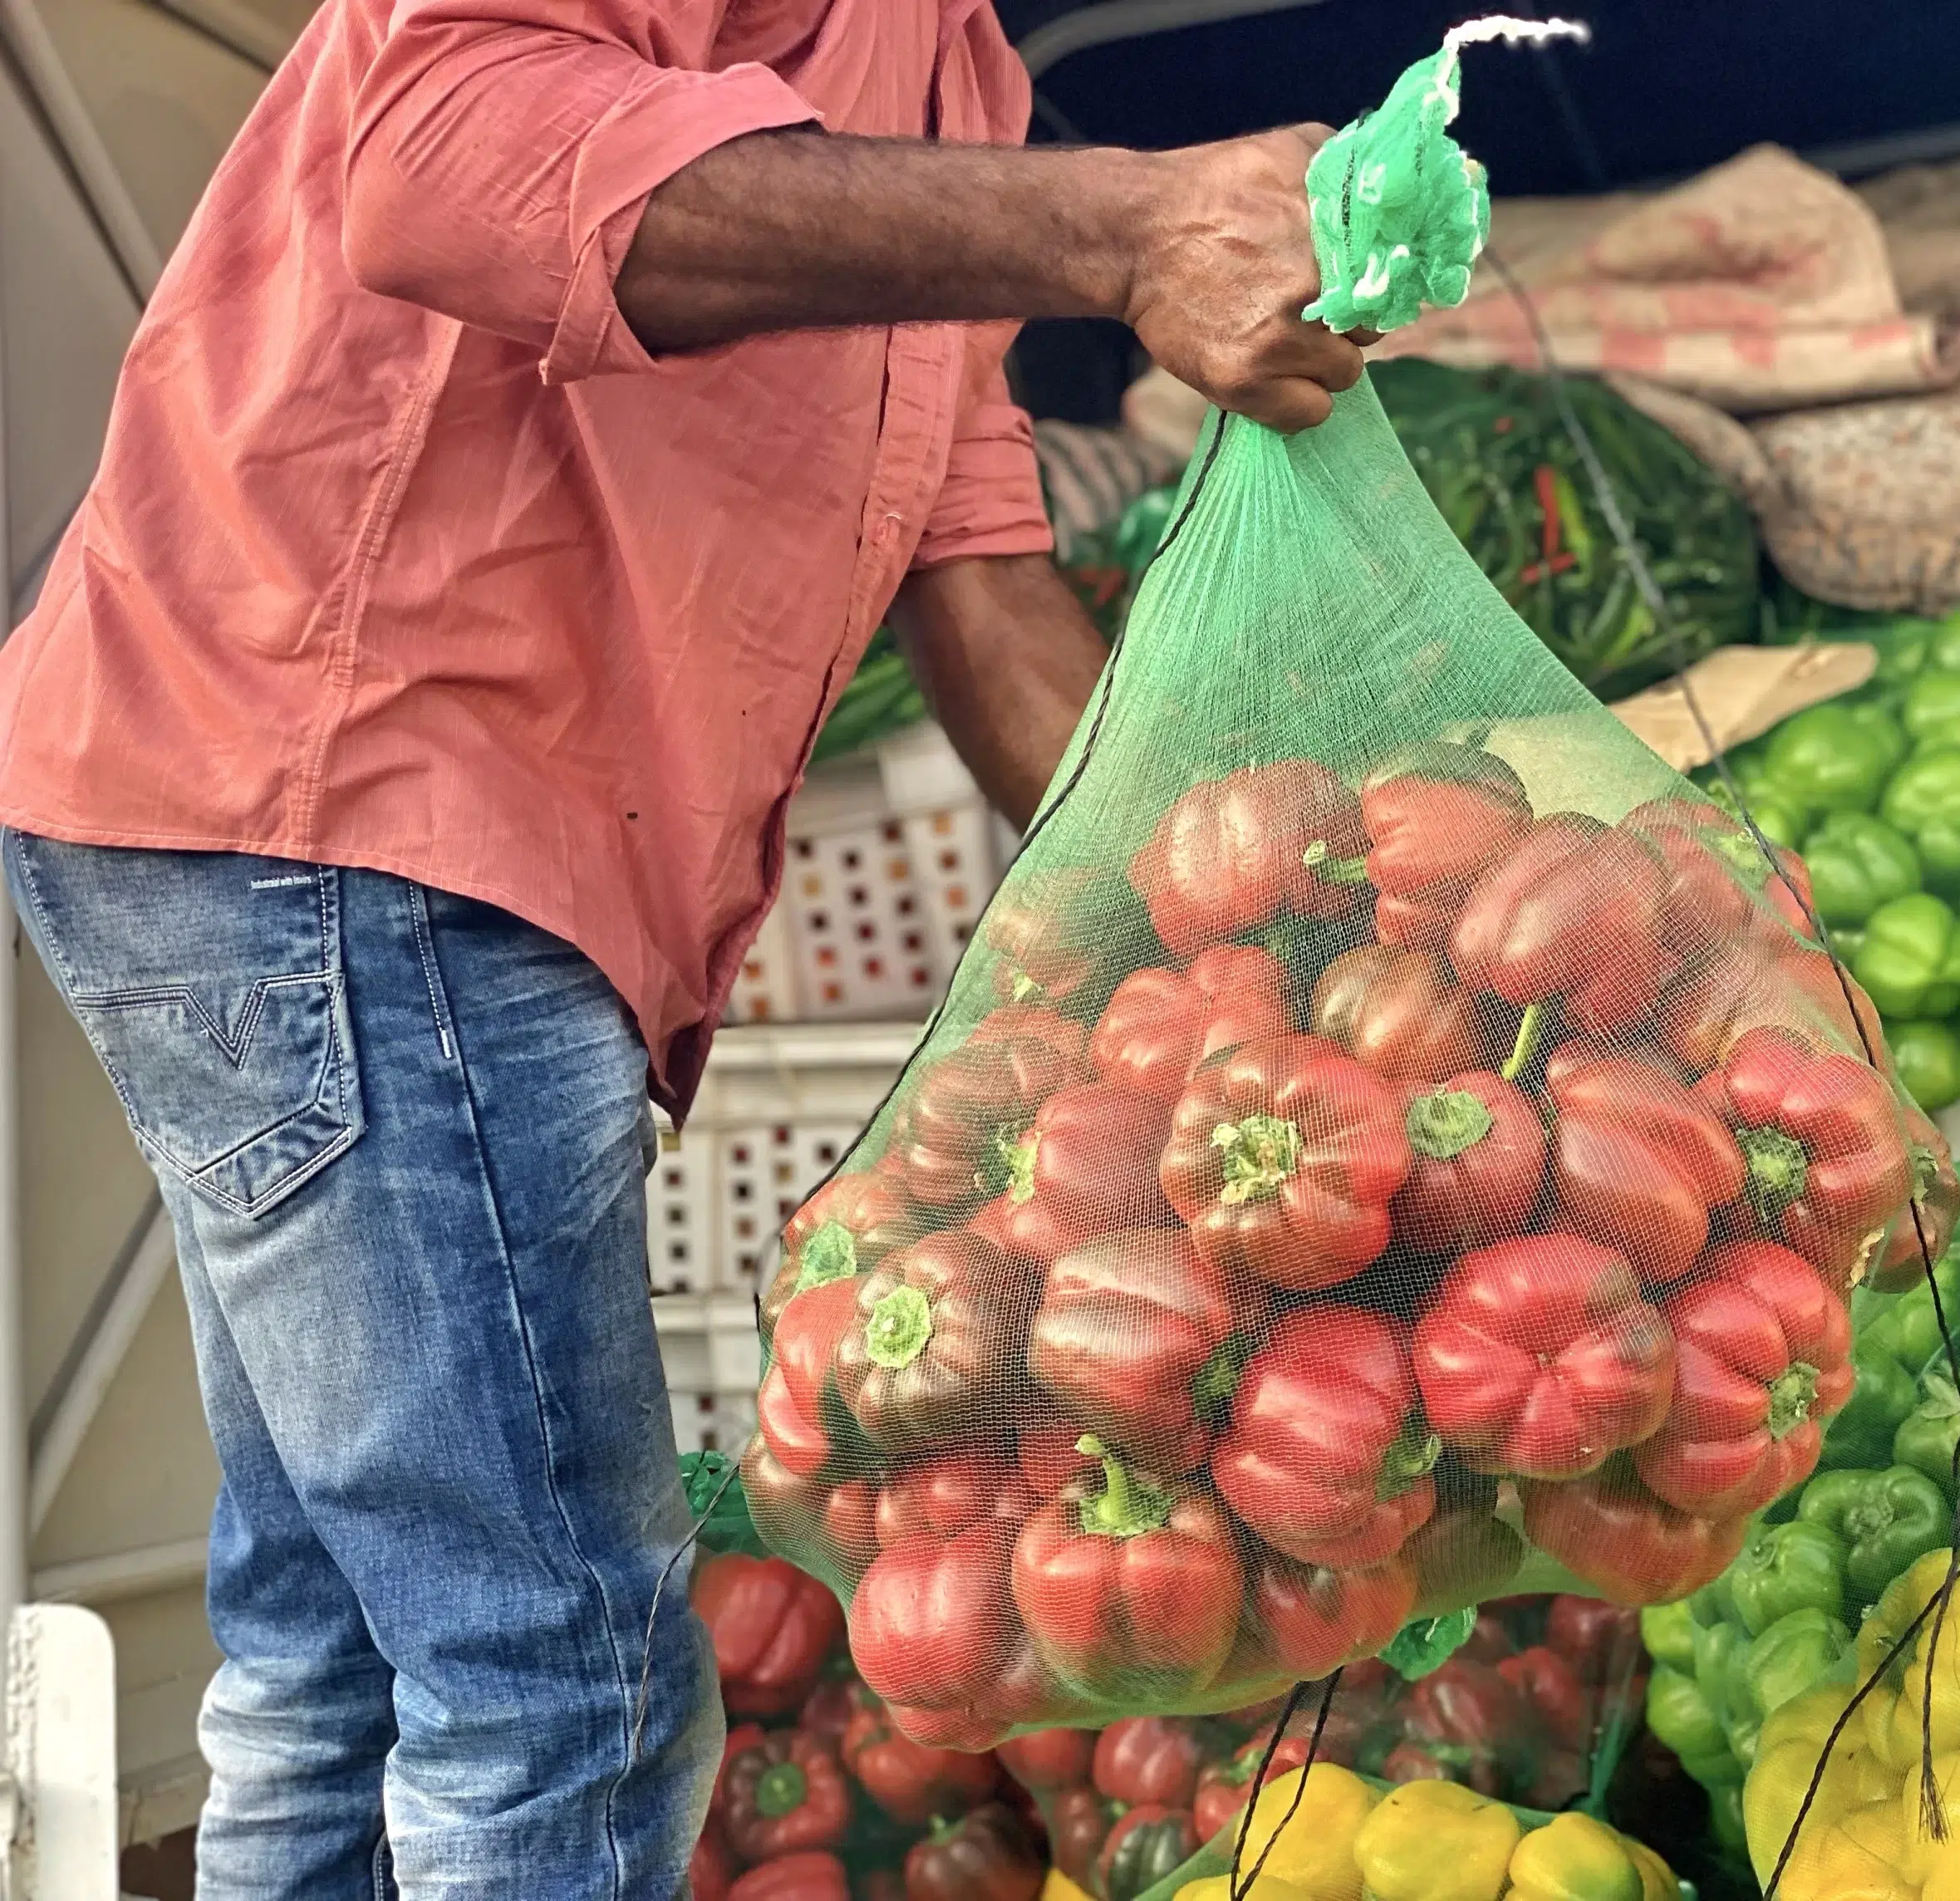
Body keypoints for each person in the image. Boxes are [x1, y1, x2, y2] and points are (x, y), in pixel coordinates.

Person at [0, 2, 1362, 1894]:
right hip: (364, 813)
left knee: (345, 1654)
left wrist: (1233, 926)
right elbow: (446, 154)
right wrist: (1121, 225)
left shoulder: (961, 86)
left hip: (317, 833)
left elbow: (974, 566)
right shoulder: (995, 147)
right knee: (564, 1693)